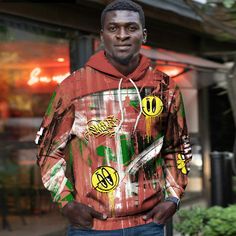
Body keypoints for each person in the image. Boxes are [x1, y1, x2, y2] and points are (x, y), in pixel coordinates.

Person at [35, 0, 192, 235]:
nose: (122, 35)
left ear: (144, 35)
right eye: (113, 28)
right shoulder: (72, 87)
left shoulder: (164, 87)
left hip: (148, 226)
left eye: (131, 28)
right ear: (102, 36)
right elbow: (48, 151)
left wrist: (173, 197)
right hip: (91, 227)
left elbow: (177, 147)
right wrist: (65, 201)